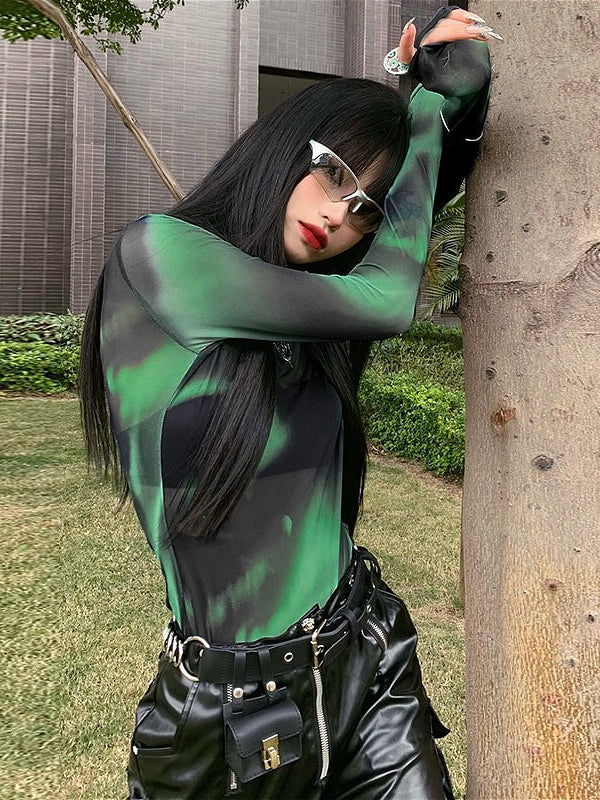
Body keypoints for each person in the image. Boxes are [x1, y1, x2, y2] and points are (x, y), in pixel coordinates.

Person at [79, 6, 498, 799]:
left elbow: (425, 196)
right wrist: (419, 110)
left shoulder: (318, 319)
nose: (341, 215)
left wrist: (454, 91)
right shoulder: (160, 256)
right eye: (333, 173)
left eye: (367, 210)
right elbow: (389, 300)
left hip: (366, 661)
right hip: (230, 721)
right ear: (282, 146)